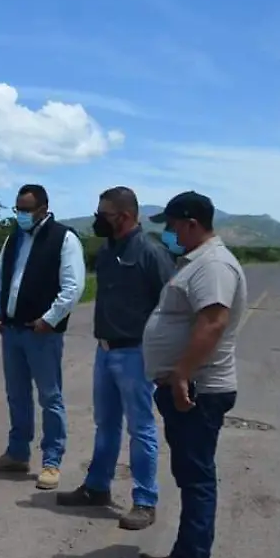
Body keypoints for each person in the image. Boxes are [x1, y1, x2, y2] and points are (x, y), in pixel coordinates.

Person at [132, 191, 246, 558]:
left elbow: (213, 323)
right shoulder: (198, 262)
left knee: (197, 482)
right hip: (188, 385)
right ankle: (183, 556)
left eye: (173, 225)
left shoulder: (213, 265)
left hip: (198, 389)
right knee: (189, 477)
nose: (169, 233)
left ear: (192, 223)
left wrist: (181, 374)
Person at [57, 187, 174, 530]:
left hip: (136, 354)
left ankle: (144, 500)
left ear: (123, 217)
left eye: (102, 214)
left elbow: (169, 308)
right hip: (105, 351)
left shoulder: (151, 253)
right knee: (105, 425)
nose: (97, 220)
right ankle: (96, 488)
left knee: (141, 428)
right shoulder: (108, 252)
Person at [0, 183, 86, 490]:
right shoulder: (13, 238)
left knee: (50, 397)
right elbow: (1, 276)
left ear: (43, 209)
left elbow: (73, 287)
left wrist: (50, 319)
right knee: (17, 394)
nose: (21, 215)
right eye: (18, 209)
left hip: (42, 333)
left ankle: (51, 461)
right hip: (11, 329)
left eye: (26, 210)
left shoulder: (64, 238)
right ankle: (17, 453)